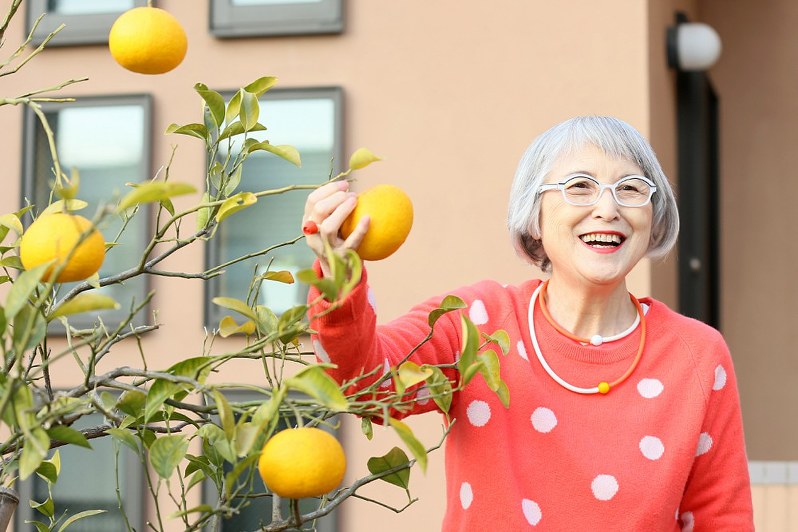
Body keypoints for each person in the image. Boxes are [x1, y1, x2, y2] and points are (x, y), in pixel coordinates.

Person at [301, 116, 754, 530]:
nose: (608, 208)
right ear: (534, 216)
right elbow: (365, 386)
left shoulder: (697, 353)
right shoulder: (474, 324)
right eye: (580, 186)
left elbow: (722, 518)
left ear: (653, 219)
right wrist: (339, 281)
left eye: (631, 188)